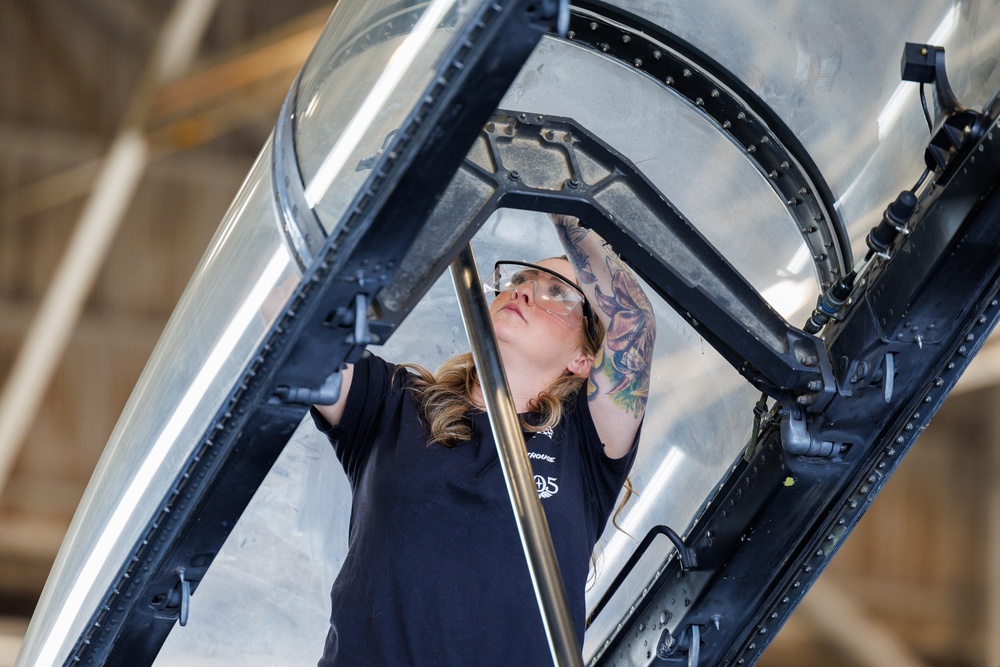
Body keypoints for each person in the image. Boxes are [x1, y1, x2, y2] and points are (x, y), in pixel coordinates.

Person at [310, 213, 656, 666]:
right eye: (520, 279)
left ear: (584, 357)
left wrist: (558, 189)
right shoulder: (393, 403)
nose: (524, 289)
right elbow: (291, 320)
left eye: (557, 290)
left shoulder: (585, 445)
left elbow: (632, 319)